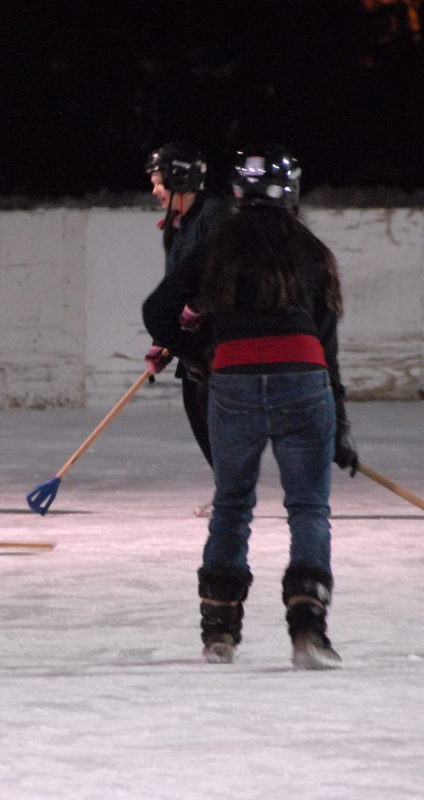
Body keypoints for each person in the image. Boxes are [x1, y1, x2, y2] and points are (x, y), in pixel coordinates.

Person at [142, 145, 359, 669]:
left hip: (233, 381)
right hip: (303, 382)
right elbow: (326, 350)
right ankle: (308, 631)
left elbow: (158, 310)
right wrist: (340, 428)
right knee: (308, 508)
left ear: (238, 193)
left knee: (232, 505)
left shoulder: (218, 246)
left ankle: (220, 633)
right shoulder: (312, 251)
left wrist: (201, 355)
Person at [143, 143, 233, 492]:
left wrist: (199, 306)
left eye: (158, 182)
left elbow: (224, 269)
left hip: (222, 333)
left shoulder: (216, 213)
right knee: (195, 407)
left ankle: (233, 490)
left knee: (217, 411)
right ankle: (227, 488)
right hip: (194, 340)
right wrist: (162, 341)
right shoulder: (177, 225)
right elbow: (174, 285)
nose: (154, 191)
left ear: (180, 179)